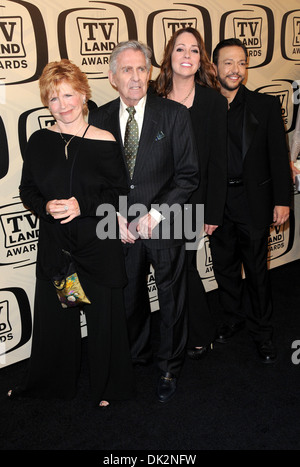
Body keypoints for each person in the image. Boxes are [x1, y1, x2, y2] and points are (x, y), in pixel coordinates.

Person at [8, 59, 134, 407]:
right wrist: (44, 207)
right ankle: (51, 383)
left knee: (103, 322)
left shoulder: (105, 140)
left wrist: (84, 205)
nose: (62, 105)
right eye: (53, 99)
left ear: (82, 94)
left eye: (68, 95)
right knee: (58, 320)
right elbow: (27, 190)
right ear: (46, 103)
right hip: (58, 249)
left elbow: (119, 193)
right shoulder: (38, 141)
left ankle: (110, 387)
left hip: (97, 246)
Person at [89, 40, 199, 403]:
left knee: (171, 299)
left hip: (166, 222)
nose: (135, 77)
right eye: (126, 70)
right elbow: (96, 180)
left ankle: (169, 365)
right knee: (128, 298)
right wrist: (114, 214)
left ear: (149, 72)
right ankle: (136, 355)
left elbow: (188, 176)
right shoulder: (99, 118)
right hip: (118, 224)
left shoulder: (174, 115)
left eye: (141, 69)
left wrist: (155, 214)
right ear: (112, 77)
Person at [210, 38, 291, 363]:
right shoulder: (203, 108)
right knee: (225, 269)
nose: (235, 69)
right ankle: (233, 319)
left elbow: (278, 156)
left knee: (257, 272)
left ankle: (263, 332)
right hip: (217, 202)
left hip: (253, 200)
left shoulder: (265, 106)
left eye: (241, 62)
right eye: (228, 62)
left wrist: (282, 200)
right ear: (214, 67)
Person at [154, 27, 227, 360]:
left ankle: (199, 332)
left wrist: (212, 212)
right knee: (170, 268)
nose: (187, 55)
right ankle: (186, 330)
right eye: (180, 49)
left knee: (182, 264)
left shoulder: (212, 101)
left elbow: (218, 160)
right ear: (169, 55)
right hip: (155, 199)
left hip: (192, 199)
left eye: (194, 50)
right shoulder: (154, 97)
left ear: (202, 59)